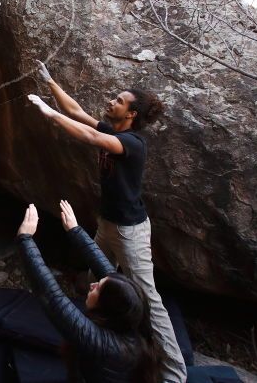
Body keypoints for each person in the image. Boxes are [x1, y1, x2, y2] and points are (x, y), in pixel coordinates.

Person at [27, 60, 186, 383]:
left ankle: (175, 373)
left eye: (119, 101)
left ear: (132, 115)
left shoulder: (131, 144)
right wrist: (50, 82)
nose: (112, 101)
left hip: (130, 231)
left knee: (148, 298)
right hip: (109, 222)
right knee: (92, 278)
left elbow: (89, 136)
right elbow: (78, 113)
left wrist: (48, 113)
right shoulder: (113, 130)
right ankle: (96, 335)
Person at [17, 201, 160, 383]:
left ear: (107, 308)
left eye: (98, 289)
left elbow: (53, 298)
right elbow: (106, 270)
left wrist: (25, 239)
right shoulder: (131, 318)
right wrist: (75, 230)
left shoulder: (104, 345)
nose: (93, 286)